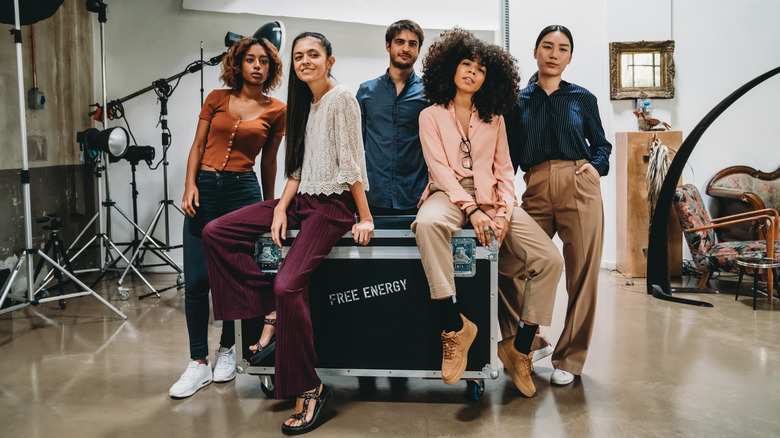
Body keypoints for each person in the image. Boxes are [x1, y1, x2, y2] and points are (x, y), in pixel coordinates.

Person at [201, 32, 373, 435]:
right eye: (299, 56)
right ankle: (272, 311)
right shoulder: (305, 104)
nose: (305, 61)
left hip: (332, 208)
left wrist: (363, 216)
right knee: (216, 232)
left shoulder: (342, 98)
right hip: (300, 201)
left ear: (330, 60)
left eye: (314, 54)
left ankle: (310, 388)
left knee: (288, 284)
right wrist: (279, 206)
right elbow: (297, 166)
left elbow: (351, 163)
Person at [411, 28, 563, 396]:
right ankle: (455, 326)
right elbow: (441, 171)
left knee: (549, 259)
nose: (472, 72)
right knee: (427, 225)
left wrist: (504, 213)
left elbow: (504, 170)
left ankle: (520, 347)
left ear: (487, 78)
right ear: (450, 68)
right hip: (448, 195)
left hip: (494, 199)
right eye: (466, 64)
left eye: (480, 69)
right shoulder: (430, 115)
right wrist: (473, 210)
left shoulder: (494, 118)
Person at [171, 36, 285, 399]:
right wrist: (190, 184)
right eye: (250, 59)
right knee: (196, 280)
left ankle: (226, 350)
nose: (256, 66)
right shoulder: (216, 99)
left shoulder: (277, 109)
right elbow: (198, 145)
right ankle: (197, 363)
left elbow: (269, 161)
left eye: (263, 61)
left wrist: (270, 207)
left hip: (243, 193)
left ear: (270, 68)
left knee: (235, 279)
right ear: (238, 64)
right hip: (205, 189)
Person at [505, 25, 612, 386]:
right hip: (535, 185)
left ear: (570, 57)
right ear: (535, 51)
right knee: (508, 266)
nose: (554, 53)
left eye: (562, 48)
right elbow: (508, 155)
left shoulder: (582, 98)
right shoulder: (517, 101)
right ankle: (531, 342)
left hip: (578, 185)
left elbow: (602, 147)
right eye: (547, 46)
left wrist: (595, 169)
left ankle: (570, 357)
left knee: (582, 274)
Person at [357, 19, 428, 215]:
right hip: (372, 196)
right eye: (399, 42)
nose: (406, 48)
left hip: (416, 197)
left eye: (412, 44)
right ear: (388, 46)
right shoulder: (366, 91)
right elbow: (356, 146)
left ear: (419, 50)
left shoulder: (430, 94)